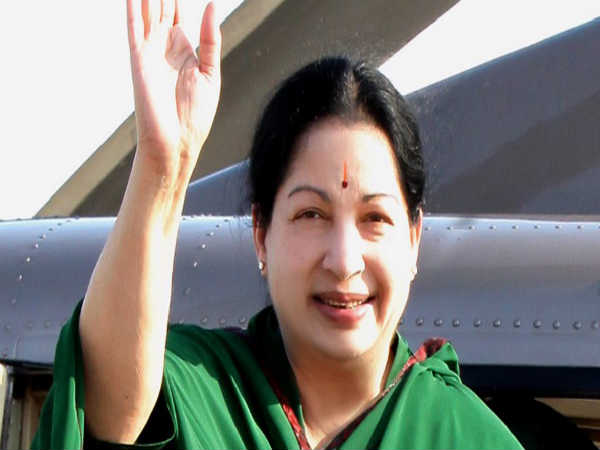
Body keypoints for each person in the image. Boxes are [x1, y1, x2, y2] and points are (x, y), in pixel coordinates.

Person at [32, 1, 523, 449]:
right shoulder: (203, 393)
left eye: (374, 218)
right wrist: (163, 165)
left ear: (414, 240)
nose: (344, 262)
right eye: (312, 214)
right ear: (261, 234)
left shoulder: (465, 435)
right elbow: (109, 412)